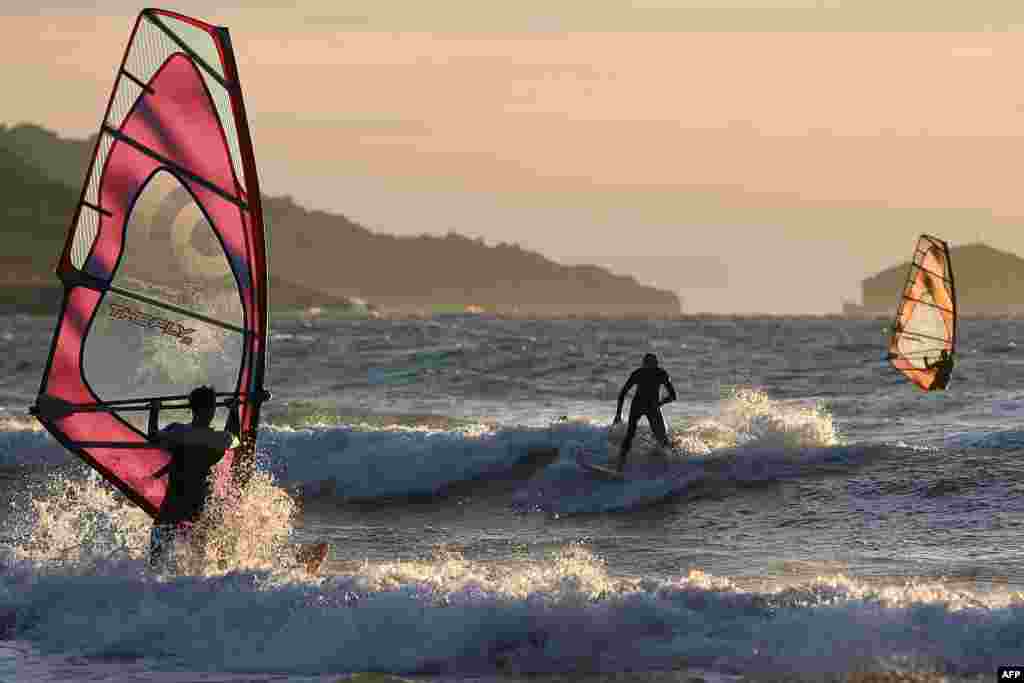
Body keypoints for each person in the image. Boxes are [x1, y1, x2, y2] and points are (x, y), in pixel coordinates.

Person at [148, 386, 240, 570]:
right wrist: (234, 410)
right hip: (198, 502)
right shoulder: (216, 438)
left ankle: (153, 584)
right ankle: (196, 586)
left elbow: (153, 436)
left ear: (192, 408)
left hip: (174, 502)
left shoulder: (177, 432)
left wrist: (155, 410)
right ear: (212, 409)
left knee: (157, 556)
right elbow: (235, 438)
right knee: (197, 557)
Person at [613, 353, 677, 472]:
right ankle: (619, 467)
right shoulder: (638, 373)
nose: (648, 367)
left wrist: (660, 403)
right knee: (629, 435)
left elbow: (673, 396)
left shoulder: (661, 374)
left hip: (652, 407)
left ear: (655, 364)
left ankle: (672, 465)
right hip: (638, 405)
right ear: (644, 364)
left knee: (662, 438)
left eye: (651, 364)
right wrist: (618, 414)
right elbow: (622, 393)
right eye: (646, 364)